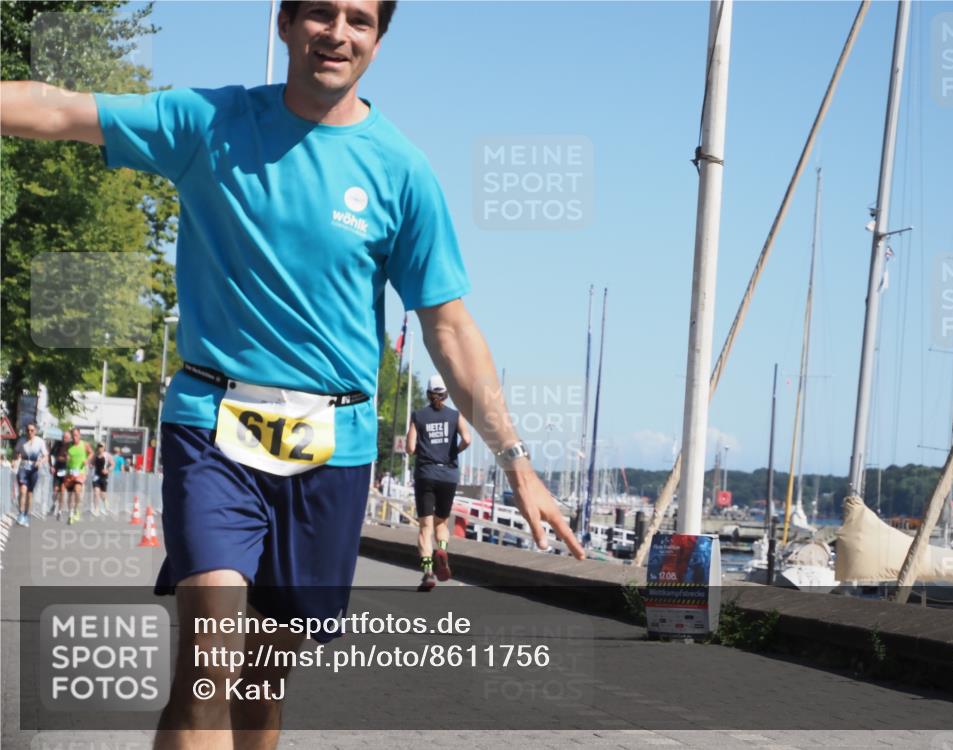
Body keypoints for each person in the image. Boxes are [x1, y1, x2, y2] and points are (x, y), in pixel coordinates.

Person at [1, 2, 583, 746]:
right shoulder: (206, 124)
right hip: (213, 426)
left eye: (360, 20)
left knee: (264, 681)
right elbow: (58, 110)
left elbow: (448, 325)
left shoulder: (401, 171)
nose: (337, 33)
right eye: (319, 13)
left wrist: (517, 462)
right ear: (284, 23)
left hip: (331, 450)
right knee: (208, 660)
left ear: (377, 39)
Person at [407, 374, 470, 591]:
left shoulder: (418, 416)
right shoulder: (454, 416)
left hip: (425, 473)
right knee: (441, 522)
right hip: (448, 476)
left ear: (427, 393)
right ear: (446, 394)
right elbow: (468, 439)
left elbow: (410, 447)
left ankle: (427, 572)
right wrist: (453, 451)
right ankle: (442, 549)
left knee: (425, 527)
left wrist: (423, 450)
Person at [12, 423, 48, 527]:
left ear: (35, 431)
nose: (30, 432)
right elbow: (16, 452)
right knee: (23, 491)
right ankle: (20, 513)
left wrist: (40, 462)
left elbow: (46, 456)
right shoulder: (21, 441)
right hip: (23, 468)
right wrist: (14, 460)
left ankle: (26, 514)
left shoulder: (40, 441)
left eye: (32, 430)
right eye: (28, 430)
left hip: (34, 469)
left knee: (29, 494)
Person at [63, 428, 93, 525]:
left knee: (77, 490)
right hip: (70, 472)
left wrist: (87, 460)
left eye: (76, 435)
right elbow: (63, 454)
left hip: (80, 472)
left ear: (79, 435)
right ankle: (71, 513)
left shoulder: (84, 444)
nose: (74, 437)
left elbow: (91, 453)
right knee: (70, 495)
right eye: (73, 435)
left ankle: (77, 510)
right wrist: (66, 457)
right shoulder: (68, 445)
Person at [49, 430, 71, 521]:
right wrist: (51, 466)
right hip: (57, 470)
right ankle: (54, 503)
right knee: (55, 491)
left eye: (66, 437)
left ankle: (60, 511)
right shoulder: (57, 444)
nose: (64, 439)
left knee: (62, 491)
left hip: (66, 471)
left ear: (69, 438)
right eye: (63, 437)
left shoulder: (71, 446)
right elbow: (51, 456)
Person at [90, 442, 111, 515]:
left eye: (101, 446)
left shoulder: (107, 455)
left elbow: (112, 464)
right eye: (99, 446)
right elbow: (91, 463)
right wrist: (91, 465)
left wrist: (108, 470)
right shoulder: (95, 455)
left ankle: (105, 501)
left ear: (104, 447)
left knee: (103, 494)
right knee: (96, 493)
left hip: (104, 477)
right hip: (96, 476)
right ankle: (96, 509)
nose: (100, 448)